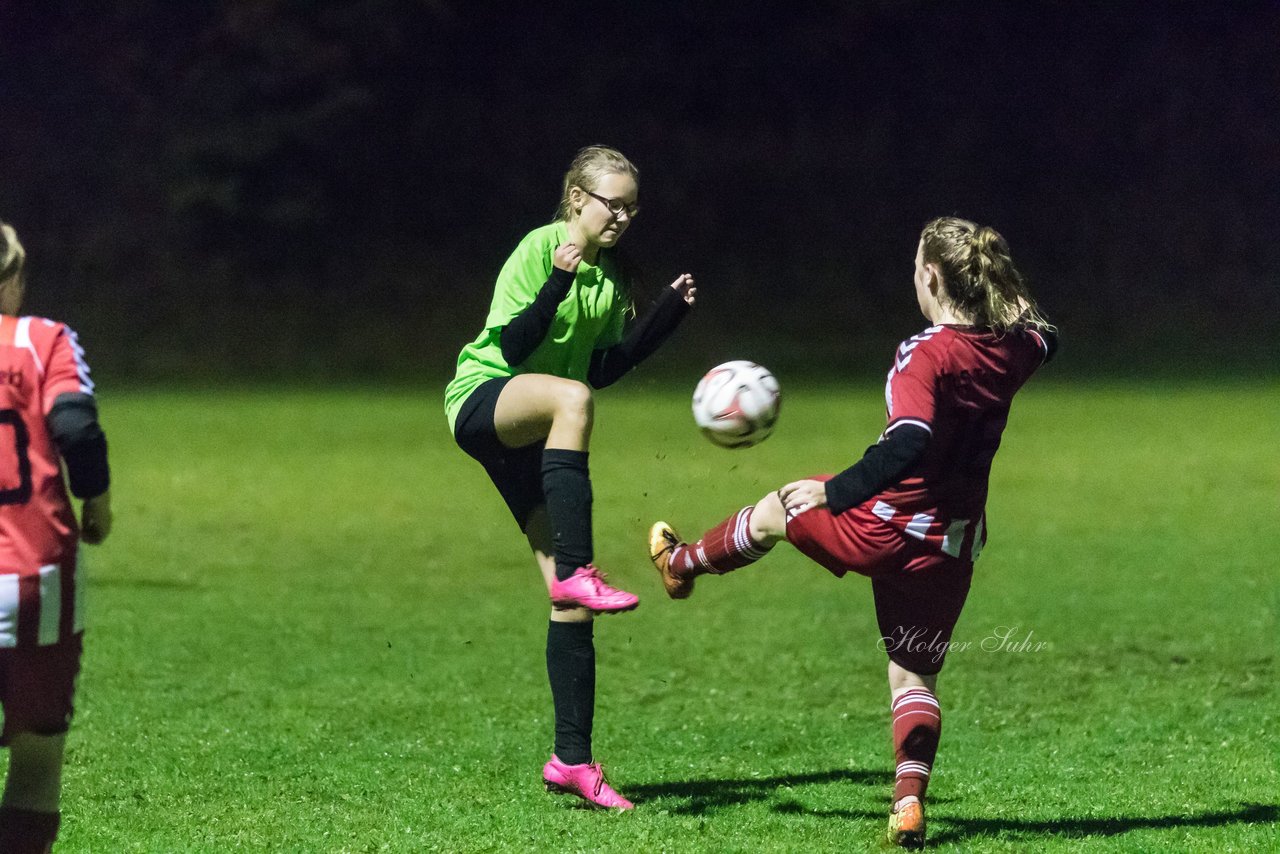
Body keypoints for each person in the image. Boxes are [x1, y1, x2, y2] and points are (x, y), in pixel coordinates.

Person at [649, 217, 1056, 848]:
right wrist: (1006, 291)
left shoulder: (927, 353)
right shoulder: (1014, 349)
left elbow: (912, 440)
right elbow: (1044, 335)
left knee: (777, 508)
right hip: (950, 546)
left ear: (930, 276)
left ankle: (682, 566)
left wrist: (833, 491)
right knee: (913, 677)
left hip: (883, 528)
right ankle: (909, 803)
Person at [444, 145, 695, 810]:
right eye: (613, 202)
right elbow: (510, 350)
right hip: (482, 402)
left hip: (535, 433)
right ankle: (581, 565)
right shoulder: (542, 247)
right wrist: (557, 280)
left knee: (569, 605)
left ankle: (573, 761)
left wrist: (663, 316)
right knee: (571, 400)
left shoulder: (609, 280)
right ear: (578, 198)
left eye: (632, 208)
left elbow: (604, 366)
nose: (623, 216)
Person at [0, 222, 112, 853]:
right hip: (36, 581)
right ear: (12, 277)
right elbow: (76, 429)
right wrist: (97, 502)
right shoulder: (44, 340)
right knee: (37, 766)